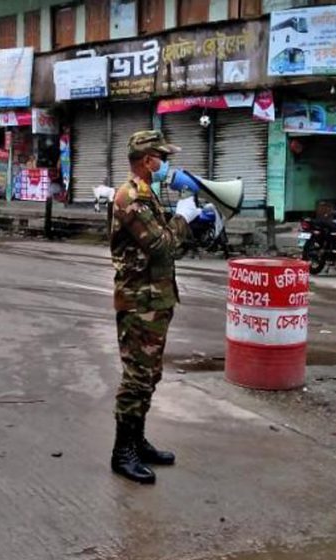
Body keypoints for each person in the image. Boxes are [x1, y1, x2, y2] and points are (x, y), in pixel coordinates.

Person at [109, 130, 200, 484]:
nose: (166, 164)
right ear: (148, 160)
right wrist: (184, 218)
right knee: (136, 377)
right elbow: (162, 247)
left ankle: (137, 441)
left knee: (150, 374)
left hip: (155, 299)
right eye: (162, 157)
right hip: (139, 303)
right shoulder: (130, 197)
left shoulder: (147, 195)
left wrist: (189, 220)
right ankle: (122, 452)